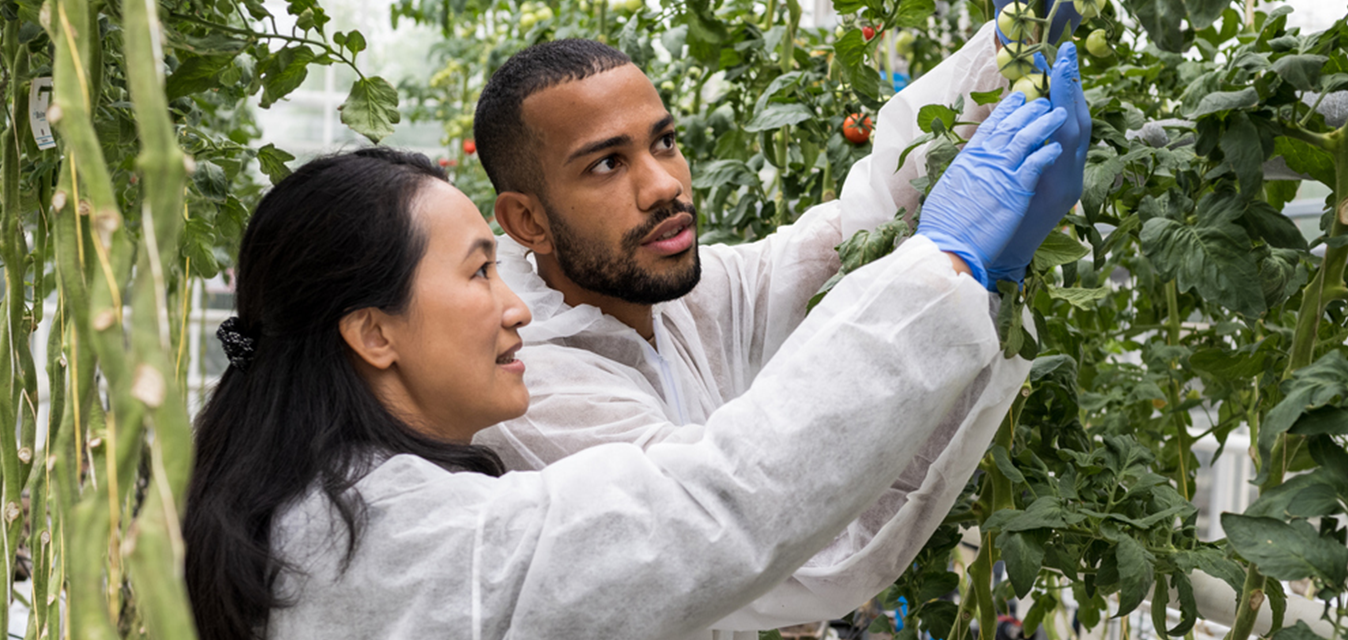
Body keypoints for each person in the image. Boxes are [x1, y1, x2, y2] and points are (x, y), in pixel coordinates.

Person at [182, 86, 1071, 639]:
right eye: (481, 270)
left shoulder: (340, 499)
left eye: (664, 141)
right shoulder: (395, 547)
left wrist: (987, 68)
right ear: (373, 333)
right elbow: (712, 506)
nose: (516, 303)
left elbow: (827, 243)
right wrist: (946, 264)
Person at [468, 27, 1091, 637]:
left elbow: (858, 230)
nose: (664, 185)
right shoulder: (521, 380)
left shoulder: (674, 298)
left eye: (664, 143)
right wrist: (951, 263)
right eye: (607, 163)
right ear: (527, 221)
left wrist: (1004, 48)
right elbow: (753, 545)